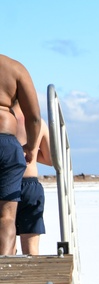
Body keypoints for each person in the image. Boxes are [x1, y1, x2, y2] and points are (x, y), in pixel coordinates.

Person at [0, 54, 41, 256]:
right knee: (6, 217)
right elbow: (34, 117)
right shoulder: (14, 68)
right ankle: (3, 270)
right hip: (6, 144)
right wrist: (32, 147)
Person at [14, 102, 51, 254]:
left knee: (5, 246)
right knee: (31, 249)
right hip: (30, 185)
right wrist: (32, 153)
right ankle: (33, 277)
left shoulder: (5, 122)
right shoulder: (38, 123)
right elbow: (51, 159)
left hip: (6, 184)